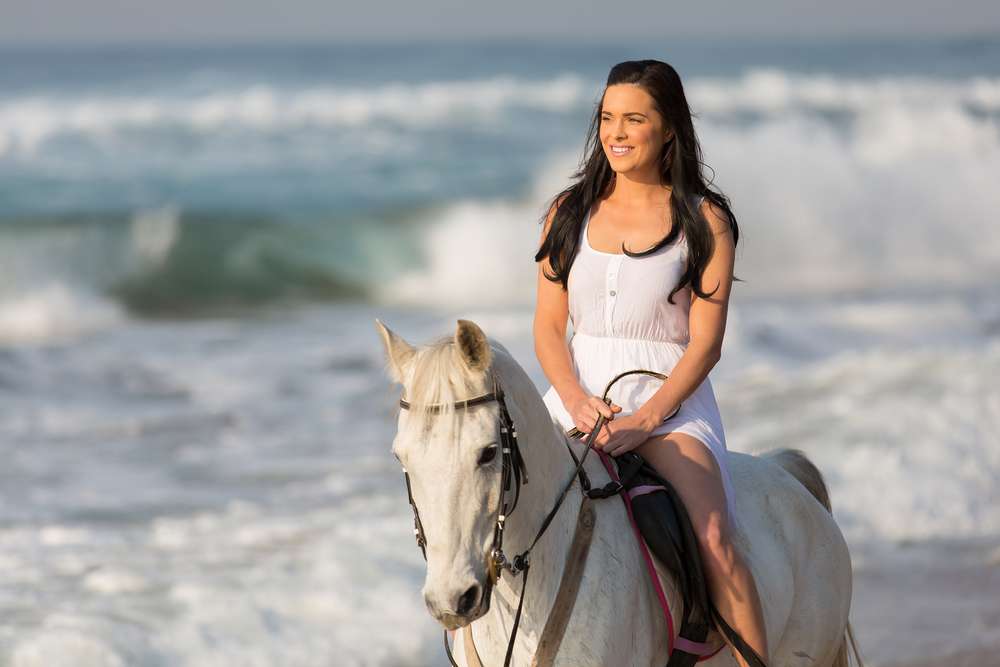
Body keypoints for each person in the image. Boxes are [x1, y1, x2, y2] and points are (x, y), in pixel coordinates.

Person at [533, 59, 768, 666]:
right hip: (575, 396)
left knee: (715, 537)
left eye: (634, 119)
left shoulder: (705, 219)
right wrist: (577, 399)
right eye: (608, 118)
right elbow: (549, 329)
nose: (616, 132)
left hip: (669, 404)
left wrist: (644, 421)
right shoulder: (568, 211)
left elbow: (705, 344)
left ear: (669, 129)